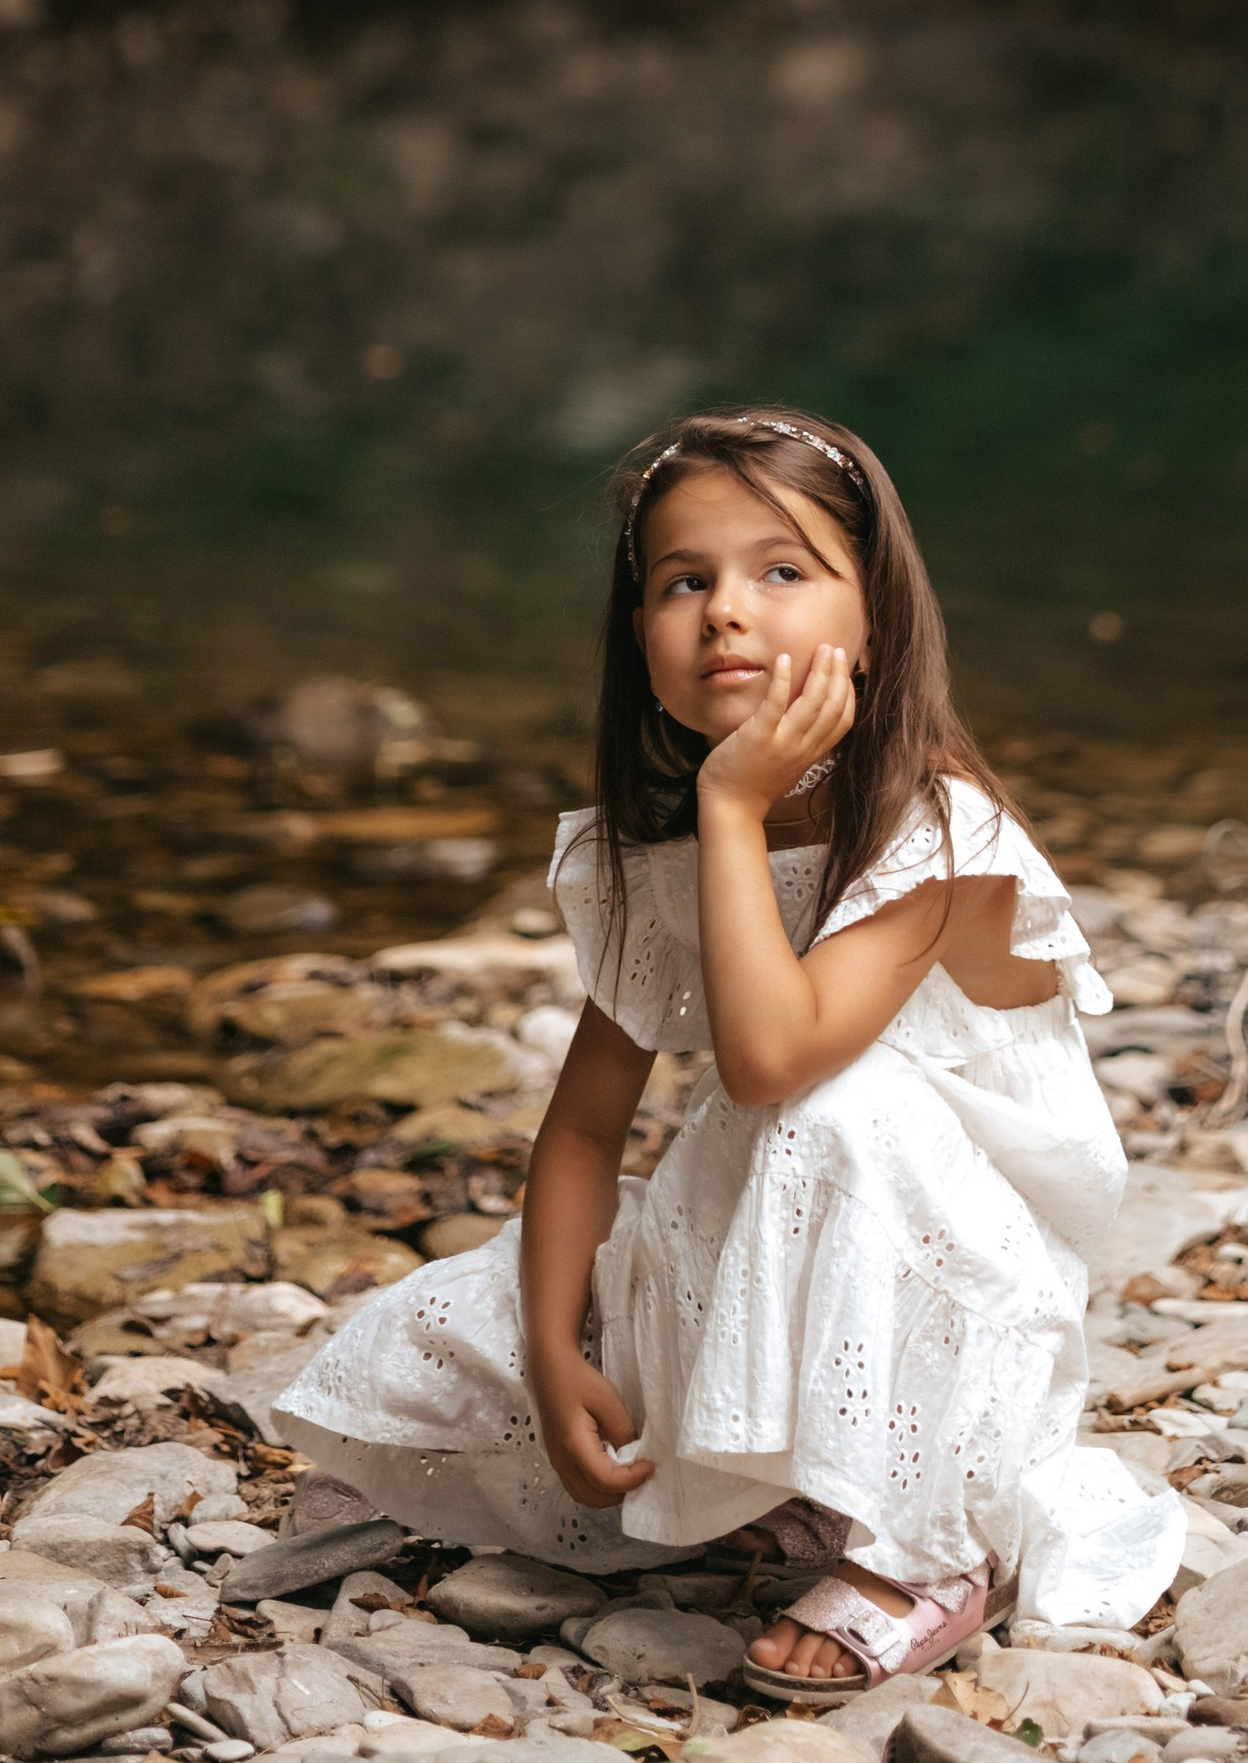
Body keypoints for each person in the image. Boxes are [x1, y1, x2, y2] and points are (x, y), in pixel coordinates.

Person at [272, 405, 1181, 1700]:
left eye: (781, 572)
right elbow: (585, 1131)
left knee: (838, 1102)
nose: (726, 615)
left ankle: (917, 1547)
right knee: (440, 1349)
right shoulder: (660, 862)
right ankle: (775, 1483)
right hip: (761, 1230)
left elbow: (772, 1064)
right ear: (637, 639)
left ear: (876, 620)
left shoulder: (934, 832)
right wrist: (550, 1349)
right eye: (681, 582)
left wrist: (736, 803)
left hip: (942, 1274)